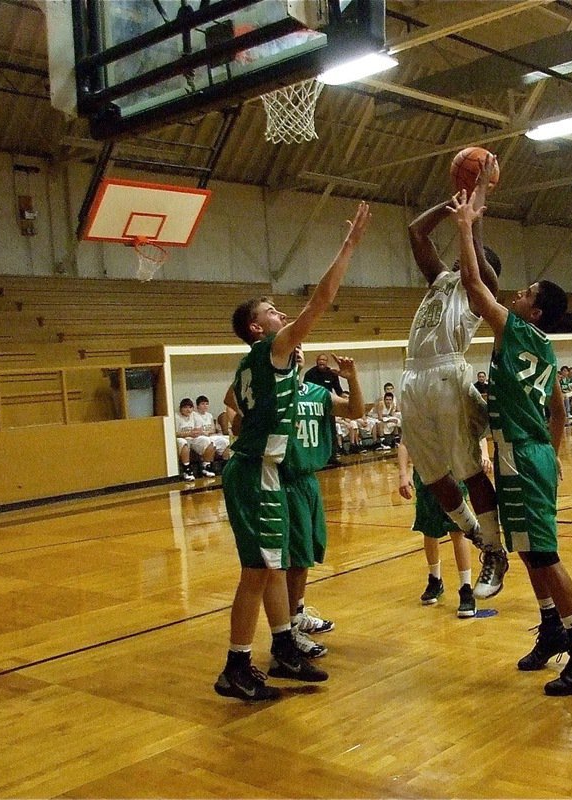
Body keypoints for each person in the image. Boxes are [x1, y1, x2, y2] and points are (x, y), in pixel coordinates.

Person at [451, 180, 572, 696]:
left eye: (525, 295)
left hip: (523, 455)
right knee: (526, 550)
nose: (516, 296)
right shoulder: (542, 344)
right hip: (524, 454)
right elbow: (559, 404)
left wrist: (467, 228)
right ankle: (552, 631)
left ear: (534, 312)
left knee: (543, 553)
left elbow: (475, 288)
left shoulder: (517, 332)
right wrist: (554, 453)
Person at [213, 200, 371, 702]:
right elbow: (320, 301)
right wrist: (348, 246)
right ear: (258, 329)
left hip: (268, 471)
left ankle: (283, 648)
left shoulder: (253, 366)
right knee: (258, 571)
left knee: (275, 567)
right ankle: (236, 666)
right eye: (271, 312)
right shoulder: (271, 350)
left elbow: (235, 403)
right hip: (256, 471)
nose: (281, 314)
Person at [402, 162, 508, 600]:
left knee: (467, 466)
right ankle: (476, 534)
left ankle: (495, 548)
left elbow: (473, 263)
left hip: (448, 370)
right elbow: (415, 232)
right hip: (413, 374)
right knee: (432, 476)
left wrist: (476, 207)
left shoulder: (481, 285)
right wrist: (452, 205)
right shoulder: (440, 280)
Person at [280, 347, 365, 657]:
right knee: (296, 558)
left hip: (309, 479)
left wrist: (353, 379)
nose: (297, 351)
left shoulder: (316, 392)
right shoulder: (273, 390)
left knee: (309, 552)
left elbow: (355, 412)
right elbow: (233, 402)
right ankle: (288, 628)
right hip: (284, 480)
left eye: (299, 348)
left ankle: (297, 614)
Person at [395, 437, 491, 618]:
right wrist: (403, 474)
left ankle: (466, 588)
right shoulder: (416, 409)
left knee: (458, 531)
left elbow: (478, 433)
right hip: (425, 472)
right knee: (429, 530)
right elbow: (405, 441)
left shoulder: (452, 408)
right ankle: (435, 580)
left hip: (453, 471)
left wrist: (484, 455)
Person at [174, 397, 216, 480]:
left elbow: (199, 428)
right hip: (181, 438)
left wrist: (197, 432)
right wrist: (188, 433)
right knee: (183, 443)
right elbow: (174, 433)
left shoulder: (194, 415)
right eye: (185, 407)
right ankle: (187, 469)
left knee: (208, 441)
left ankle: (206, 466)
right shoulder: (176, 417)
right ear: (181, 409)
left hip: (193, 437)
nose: (188, 410)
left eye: (190, 407)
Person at [194, 395, 230, 471]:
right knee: (209, 442)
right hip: (201, 437)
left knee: (226, 440)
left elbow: (213, 429)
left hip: (211, 435)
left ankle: (226, 463)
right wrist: (203, 432)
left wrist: (208, 432)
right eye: (203, 404)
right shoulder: (194, 415)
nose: (205, 406)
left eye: (206, 404)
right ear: (197, 406)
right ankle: (208, 465)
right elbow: (195, 430)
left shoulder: (209, 415)